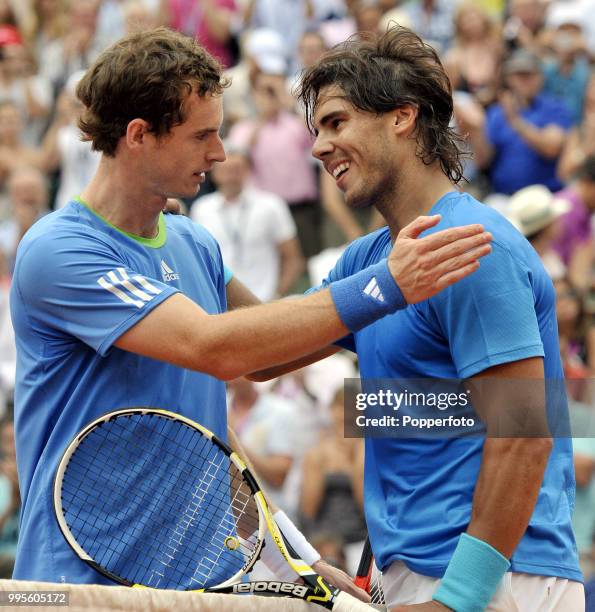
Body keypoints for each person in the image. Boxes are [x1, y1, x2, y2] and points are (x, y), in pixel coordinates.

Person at [9, 27, 491, 587]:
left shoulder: (195, 244)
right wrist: (386, 285)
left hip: (197, 586)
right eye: (202, 136)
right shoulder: (58, 250)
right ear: (139, 135)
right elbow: (213, 347)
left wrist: (301, 558)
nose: (218, 154)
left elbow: (251, 372)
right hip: (76, 585)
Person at [253, 25, 583, 610]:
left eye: (336, 123)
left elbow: (524, 433)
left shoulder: (472, 246)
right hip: (419, 577)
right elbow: (264, 355)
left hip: (494, 581)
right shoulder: (367, 259)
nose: (319, 147)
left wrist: (457, 598)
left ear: (401, 117)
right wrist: (184, 249)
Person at [191, 142, 304, 300]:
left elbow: (293, 258)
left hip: (264, 302)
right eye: (225, 169)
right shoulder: (201, 208)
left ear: (248, 170)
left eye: (236, 168)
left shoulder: (271, 205)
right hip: (221, 306)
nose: (231, 174)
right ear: (214, 172)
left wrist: (276, 296)